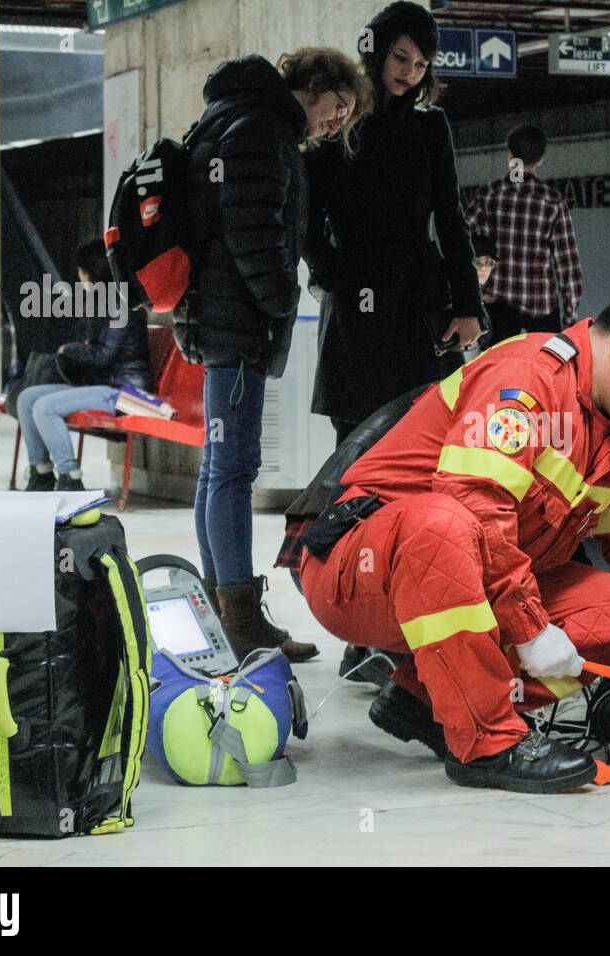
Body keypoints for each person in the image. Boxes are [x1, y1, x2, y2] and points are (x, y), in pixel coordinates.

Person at [286, 289, 610, 794]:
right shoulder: (527, 379)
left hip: (461, 583)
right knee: (444, 522)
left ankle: (423, 702)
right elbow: (477, 508)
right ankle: (487, 745)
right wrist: (530, 629)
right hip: (358, 570)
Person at [179, 46, 369, 664]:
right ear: (311, 87)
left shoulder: (237, 116)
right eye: (336, 107)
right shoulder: (262, 127)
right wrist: (277, 299)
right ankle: (239, 618)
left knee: (219, 468)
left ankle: (223, 607)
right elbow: (251, 225)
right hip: (237, 320)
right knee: (233, 469)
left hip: (217, 314)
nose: (336, 123)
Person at [307, 2, 484, 443]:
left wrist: (468, 304)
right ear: (378, 51)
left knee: (425, 433)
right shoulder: (341, 120)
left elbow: (450, 217)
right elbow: (305, 217)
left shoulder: (430, 126)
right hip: (355, 298)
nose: (410, 72)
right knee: (355, 441)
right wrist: (334, 273)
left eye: (421, 64)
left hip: (419, 298)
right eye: (401, 58)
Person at [16, 240, 151, 492]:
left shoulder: (119, 305)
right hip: (103, 385)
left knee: (46, 407)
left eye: (81, 271)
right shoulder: (101, 304)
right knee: (27, 398)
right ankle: (42, 472)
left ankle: (70, 476)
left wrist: (69, 350)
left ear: (90, 273)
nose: (78, 277)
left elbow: (102, 357)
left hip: (125, 392)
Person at [463, 124, 582, 341]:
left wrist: (476, 291)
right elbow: (568, 266)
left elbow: (461, 242)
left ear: (510, 155)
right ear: (540, 159)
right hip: (541, 304)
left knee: (499, 368)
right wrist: (570, 318)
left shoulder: (489, 196)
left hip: (498, 303)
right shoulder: (553, 201)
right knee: (544, 368)